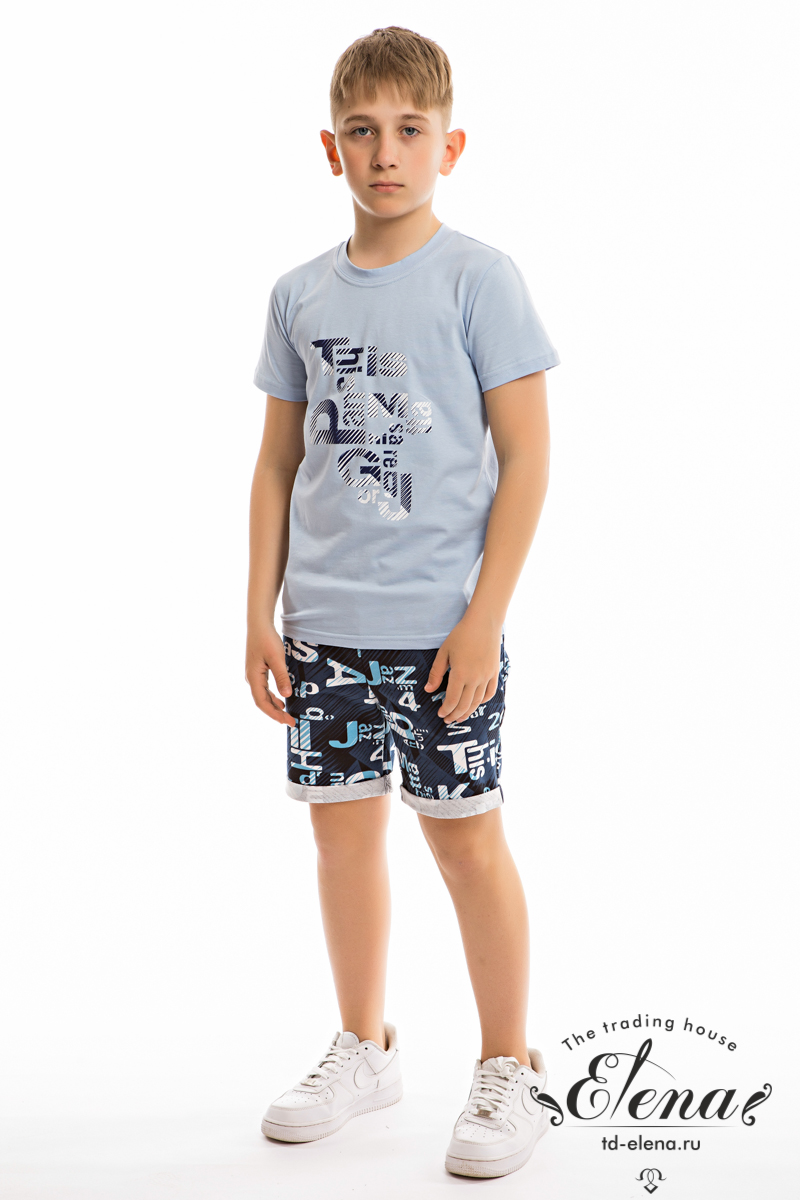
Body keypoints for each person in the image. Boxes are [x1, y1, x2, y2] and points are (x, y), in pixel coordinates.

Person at [245, 26, 559, 1179]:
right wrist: (257, 611)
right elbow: (276, 464)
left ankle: (509, 1064)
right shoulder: (297, 294)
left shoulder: (479, 279)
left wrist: (482, 617)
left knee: (465, 844)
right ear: (330, 149)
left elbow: (525, 458)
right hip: (323, 631)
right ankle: (363, 1046)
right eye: (362, 132)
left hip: (440, 635)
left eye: (409, 130)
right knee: (341, 841)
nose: (386, 153)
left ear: (448, 146)